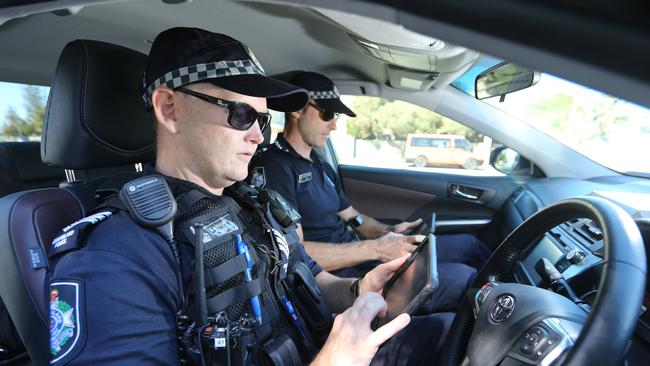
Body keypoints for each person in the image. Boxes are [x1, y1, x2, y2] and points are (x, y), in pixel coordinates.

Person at [47, 28, 452, 366]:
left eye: (261, 119)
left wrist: (359, 289)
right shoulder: (115, 254)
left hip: (315, 347)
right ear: (169, 108)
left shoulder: (253, 204)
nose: (258, 135)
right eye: (240, 115)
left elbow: (311, 278)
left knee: (458, 331)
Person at [248, 71, 491, 312]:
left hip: (364, 254)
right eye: (327, 114)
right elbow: (294, 253)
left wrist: (390, 232)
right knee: (463, 280)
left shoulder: (318, 162)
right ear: (297, 110)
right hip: (341, 276)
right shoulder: (274, 168)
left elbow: (353, 217)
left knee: (468, 246)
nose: (334, 125)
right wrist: (376, 248)